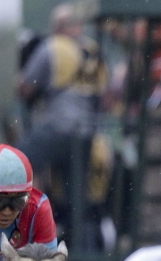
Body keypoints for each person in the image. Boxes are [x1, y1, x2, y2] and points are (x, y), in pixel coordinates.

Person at [18, 2, 107, 240]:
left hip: (58, 128)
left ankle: (23, 218)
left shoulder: (53, 47)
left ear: (57, 27)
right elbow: (103, 96)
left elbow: (26, 87)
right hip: (86, 134)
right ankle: (79, 256)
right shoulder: (94, 51)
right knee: (77, 202)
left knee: (16, 162)